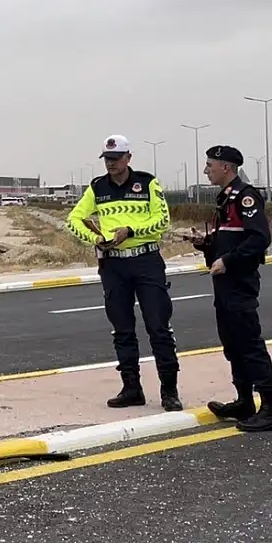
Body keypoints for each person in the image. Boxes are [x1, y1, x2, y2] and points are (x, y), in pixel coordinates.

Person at [66, 135, 182, 411]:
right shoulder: (97, 188)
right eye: (107, 159)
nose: (111, 164)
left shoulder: (147, 182)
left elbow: (162, 220)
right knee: (122, 329)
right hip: (113, 265)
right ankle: (131, 388)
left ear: (128, 158)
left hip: (146, 260)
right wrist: (95, 239)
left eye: (116, 159)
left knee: (158, 327)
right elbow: (73, 219)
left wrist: (131, 231)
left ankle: (169, 390)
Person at [189, 145, 272, 433]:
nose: (206, 170)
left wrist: (228, 260)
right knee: (232, 343)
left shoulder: (245, 198)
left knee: (250, 343)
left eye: (210, 165)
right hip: (224, 283)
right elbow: (231, 237)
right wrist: (207, 245)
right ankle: (244, 401)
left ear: (226, 167)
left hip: (239, 282)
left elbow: (259, 239)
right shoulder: (225, 198)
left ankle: (269, 408)